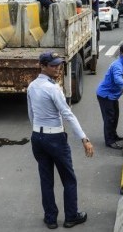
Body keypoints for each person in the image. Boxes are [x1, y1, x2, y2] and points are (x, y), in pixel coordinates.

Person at [27, 51, 94, 229]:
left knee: (46, 180)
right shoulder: (53, 88)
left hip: (37, 138)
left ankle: (50, 219)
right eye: (53, 65)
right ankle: (71, 216)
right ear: (42, 66)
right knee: (69, 179)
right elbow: (68, 114)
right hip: (55, 138)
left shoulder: (32, 86)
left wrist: (37, 133)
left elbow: (31, 114)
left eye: (59, 65)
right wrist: (84, 138)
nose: (58, 68)